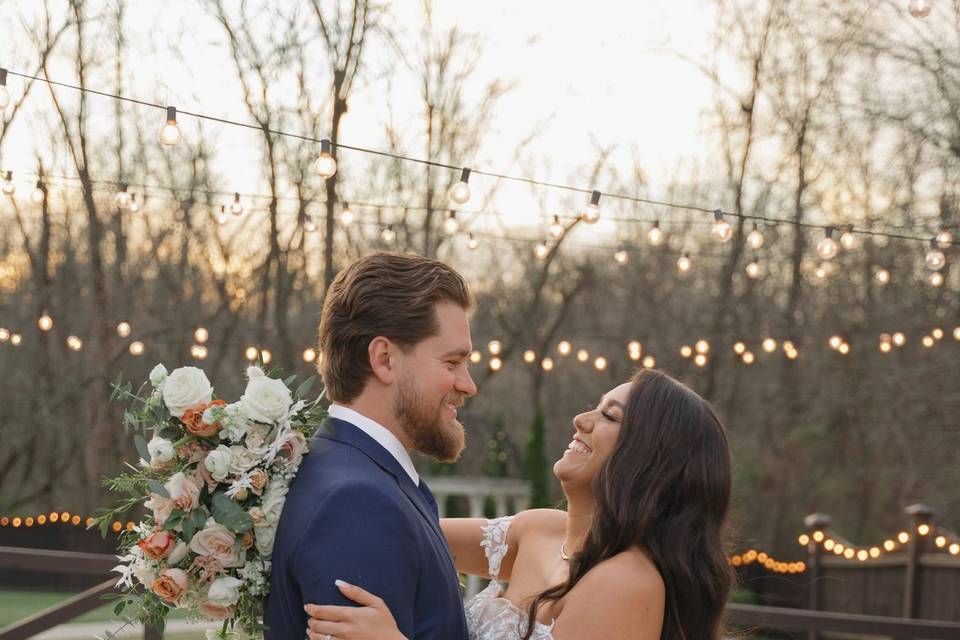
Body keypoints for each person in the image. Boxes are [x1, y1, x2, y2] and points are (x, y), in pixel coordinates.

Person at [304, 368, 733, 640]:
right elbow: (405, 529)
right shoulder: (539, 531)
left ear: (651, 459)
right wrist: (278, 472)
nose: (581, 420)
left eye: (610, 417)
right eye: (594, 409)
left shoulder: (627, 582)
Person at [264, 252, 478, 640]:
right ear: (384, 359)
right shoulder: (355, 501)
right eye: (452, 362)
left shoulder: (355, 470)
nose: (468, 384)